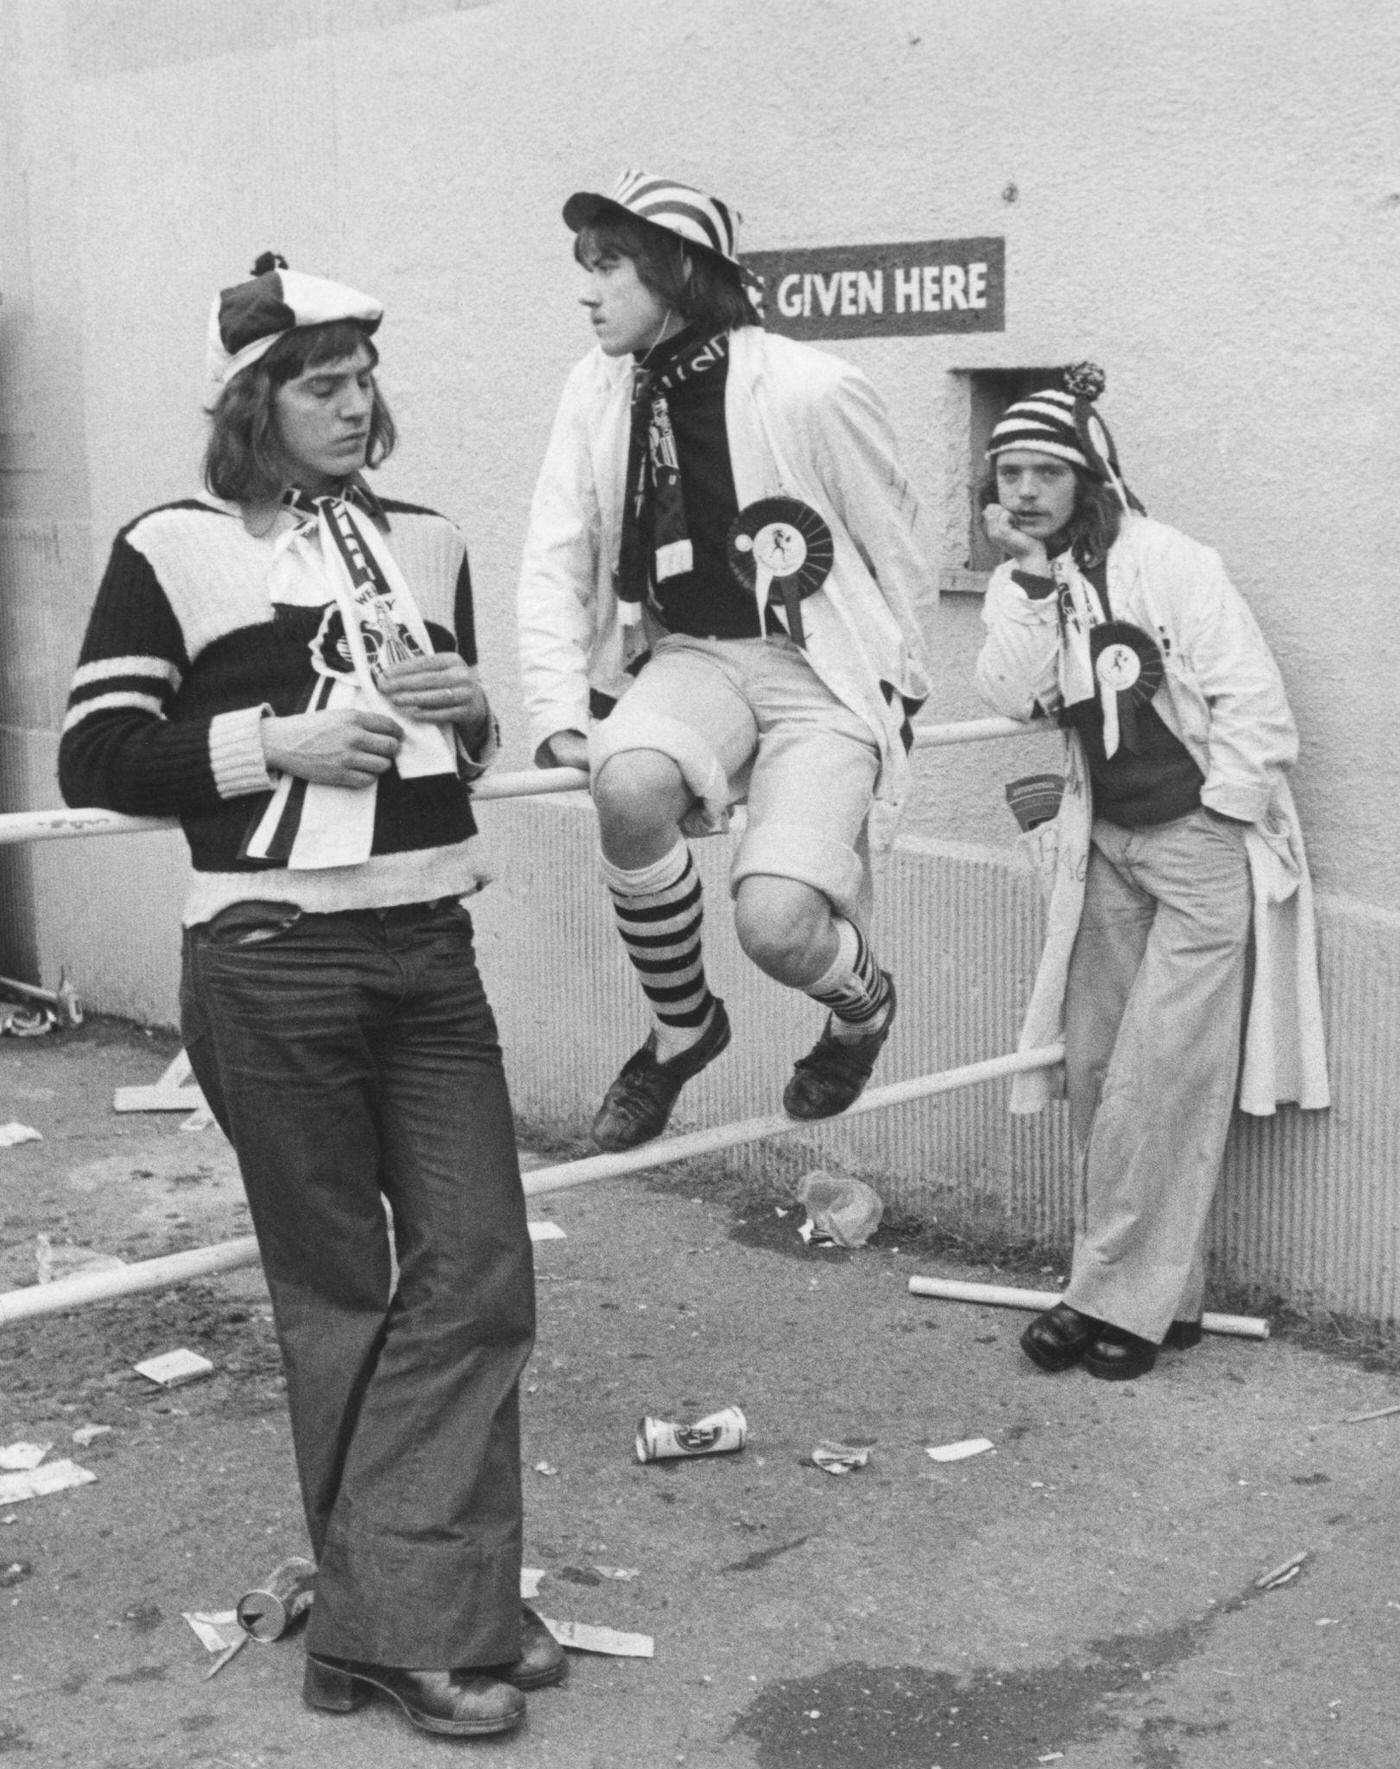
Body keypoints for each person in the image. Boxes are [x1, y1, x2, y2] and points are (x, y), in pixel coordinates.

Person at [59, 256, 564, 1737]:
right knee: (338, 1295)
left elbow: (438, 761)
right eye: (320, 385)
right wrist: (270, 743)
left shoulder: (430, 539)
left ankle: (392, 1610)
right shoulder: (176, 545)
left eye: (362, 383)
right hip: (272, 957)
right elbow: (97, 759)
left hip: (428, 947)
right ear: (253, 402)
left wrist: (475, 724)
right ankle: (419, 1617)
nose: (354, 408)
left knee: (479, 1267)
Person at [518, 170, 934, 1152]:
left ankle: (860, 1008)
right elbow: (553, 552)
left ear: (679, 271)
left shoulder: (806, 387)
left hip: (814, 674)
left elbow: (897, 548)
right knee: (623, 783)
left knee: (778, 925)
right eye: (585, 268)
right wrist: (556, 713)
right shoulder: (595, 386)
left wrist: (899, 694)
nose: (587, 291)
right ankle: (680, 1028)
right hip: (695, 655)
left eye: (609, 266)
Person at [975, 364, 1328, 1382]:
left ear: (1090, 477)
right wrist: (1035, 587)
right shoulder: (1025, 579)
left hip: (1196, 848)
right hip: (1103, 848)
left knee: (1160, 1077)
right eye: (1010, 474)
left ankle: (1105, 1299)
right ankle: (1157, 1301)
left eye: (1047, 470)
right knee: (1094, 1070)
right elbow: (1004, 690)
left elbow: (1256, 708)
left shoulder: (1170, 560)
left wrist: (1213, 823)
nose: (1028, 491)